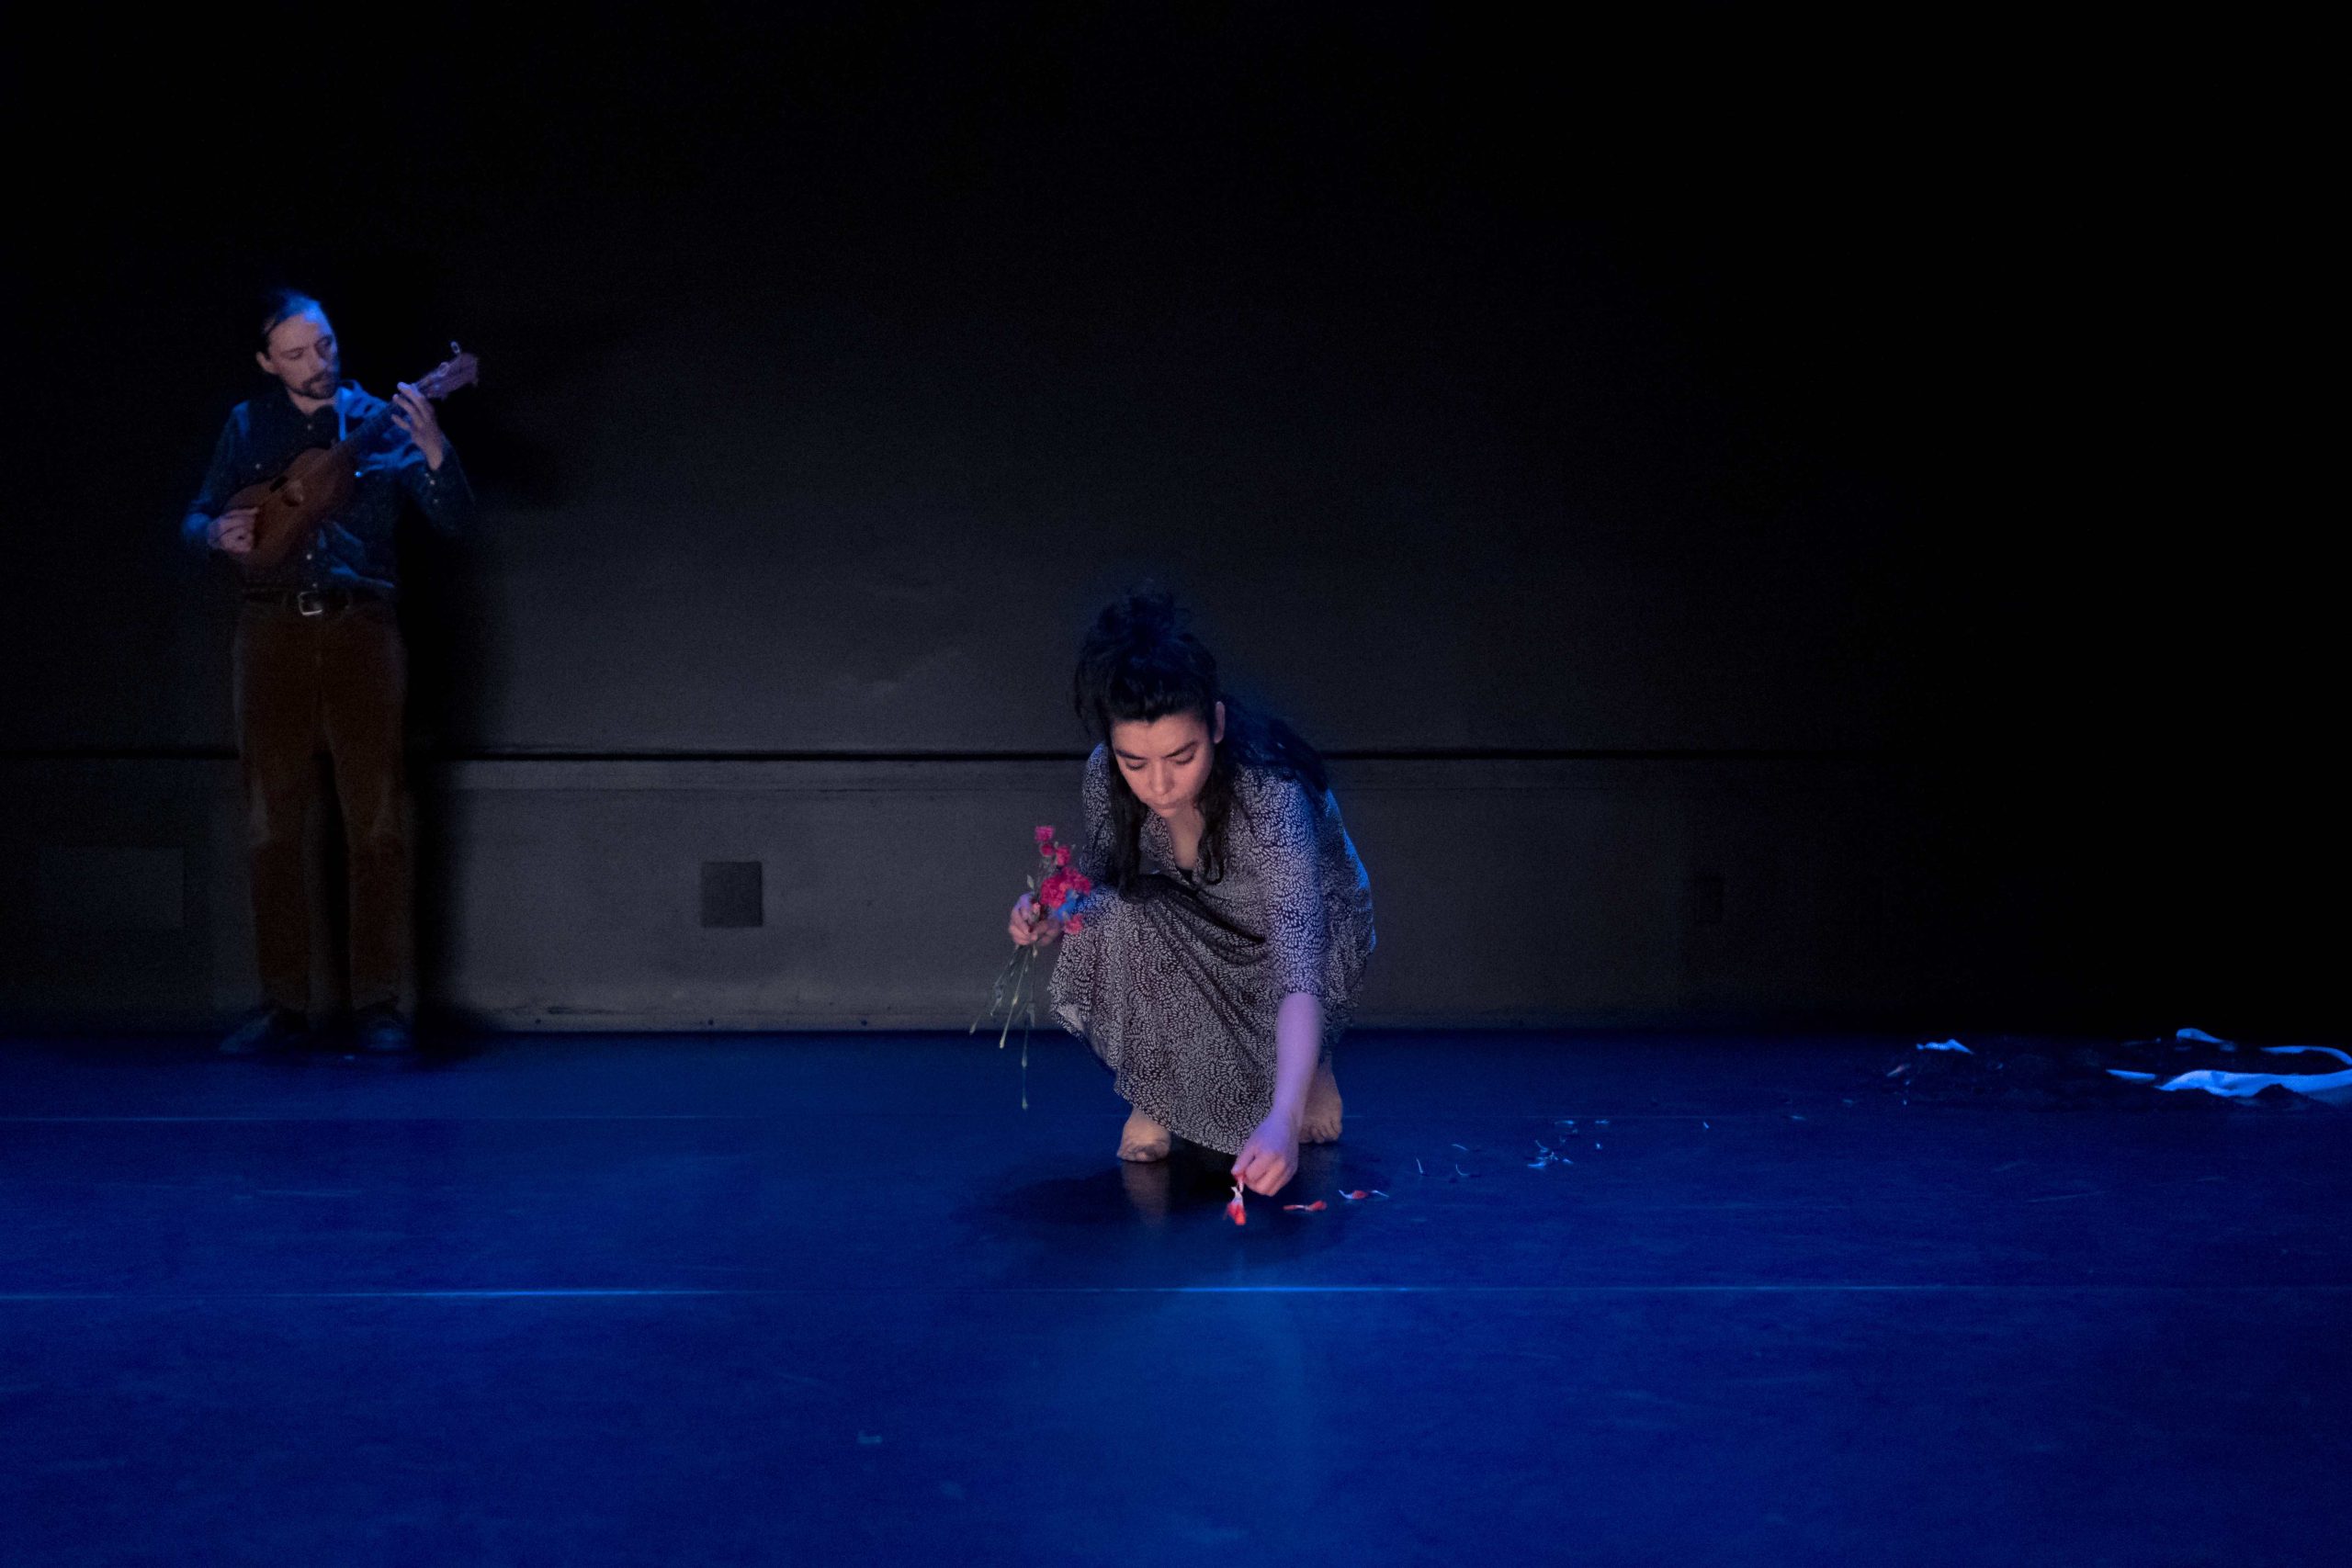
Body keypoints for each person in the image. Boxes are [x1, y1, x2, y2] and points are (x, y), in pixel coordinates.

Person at [182, 290, 473, 1055]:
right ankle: (284, 1006)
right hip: (270, 630)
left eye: (326, 345)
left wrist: (437, 450)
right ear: (266, 361)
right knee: (272, 823)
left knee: (375, 823)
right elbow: (196, 514)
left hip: (362, 632)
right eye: (299, 353)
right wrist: (214, 531)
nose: (320, 362)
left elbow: (455, 519)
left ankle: (378, 1005)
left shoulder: (380, 418)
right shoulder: (247, 427)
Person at [1012, 592, 1374, 1197]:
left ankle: (1312, 1064)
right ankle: (1161, 1090)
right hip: (1202, 935)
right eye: (1135, 762)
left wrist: (1282, 1120)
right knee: (1115, 912)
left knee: (1294, 1021)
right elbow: (1102, 896)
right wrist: (1055, 913)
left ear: (1217, 725)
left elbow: (1300, 967)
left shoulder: (1269, 795)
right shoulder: (1107, 777)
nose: (1159, 784)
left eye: (1182, 756)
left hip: (1308, 950)